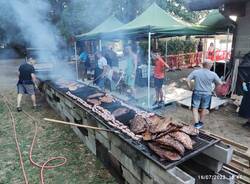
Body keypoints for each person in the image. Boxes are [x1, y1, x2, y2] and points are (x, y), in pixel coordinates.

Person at [186, 60, 222, 129]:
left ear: (203, 65)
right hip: (207, 94)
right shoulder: (213, 74)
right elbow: (220, 83)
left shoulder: (196, 72)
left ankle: (196, 124)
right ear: (210, 66)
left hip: (197, 92)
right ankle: (201, 122)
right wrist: (214, 90)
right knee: (204, 108)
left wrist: (190, 88)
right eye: (211, 64)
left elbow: (187, 80)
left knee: (195, 108)